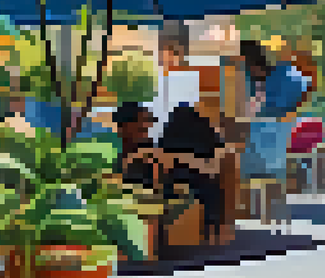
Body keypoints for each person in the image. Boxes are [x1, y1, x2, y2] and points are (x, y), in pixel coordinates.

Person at [239, 40, 312, 225]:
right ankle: (269, 211)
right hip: (275, 140)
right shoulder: (283, 77)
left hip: (263, 140)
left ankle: (255, 210)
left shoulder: (280, 78)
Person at [157, 105, 232, 244]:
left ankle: (166, 232)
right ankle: (211, 230)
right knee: (212, 191)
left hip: (177, 177)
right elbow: (218, 149)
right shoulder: (205, 129)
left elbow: (163, 154)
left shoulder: (171, 131)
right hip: (201, 177)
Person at [112, 102, 159, 190]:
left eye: (148, 122)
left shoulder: (152, 153)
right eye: (142, 124)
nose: (148, 126)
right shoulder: (116, 154)